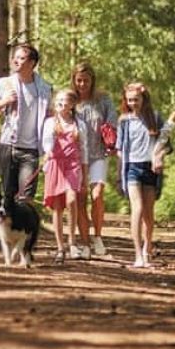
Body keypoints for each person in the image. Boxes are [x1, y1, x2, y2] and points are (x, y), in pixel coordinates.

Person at [0, 44, 53, 203]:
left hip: (31, 151)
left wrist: (51, 147)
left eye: (21, 58)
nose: (16, 61)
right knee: (6, 197)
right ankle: (4, 227)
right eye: (15, 57)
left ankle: (23, 228)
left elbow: (50, 118)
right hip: (7, 146)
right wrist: (4, 101)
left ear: (32, 63)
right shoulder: (4, 84)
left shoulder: (45, 89)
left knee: (25, 199)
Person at [117, 82, 174, 268]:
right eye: (130, 100)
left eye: (136, 99)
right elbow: (119, 148)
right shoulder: (124, 121)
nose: (133, 103)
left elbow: (167, 145)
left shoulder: (154, 118)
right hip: (132, 167)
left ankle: (147, 247)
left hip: (151, 169)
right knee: (137, 208)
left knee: (148, 213)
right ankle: (137, 254)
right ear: (126, 101)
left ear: (143, 98)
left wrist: (159, 156)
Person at [71, 61, 117, 258]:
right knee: (80, 198)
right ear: (74, 81)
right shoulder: (70, 101)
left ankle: (98, 237)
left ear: (92, 81)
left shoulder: (103, 100)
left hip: (98, 153)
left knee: (97, 195)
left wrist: (112, 139)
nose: (83, 84)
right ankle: (85, 243)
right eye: (79, 80)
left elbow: (113, 122)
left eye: (86, 81)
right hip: (76, 156)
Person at [41, 89, 85, 263]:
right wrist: (48, 151)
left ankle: (72, 242)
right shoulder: (50, 122)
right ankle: (60, 247)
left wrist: (85, 171)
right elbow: (46, 142)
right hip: (55, 164)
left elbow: (84, 148)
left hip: (73, 164)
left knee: (72, 200)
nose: (61, 104)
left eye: (65, 102)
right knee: (58, 206)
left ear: (72, 105)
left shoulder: (79, 124)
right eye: (58, 101)